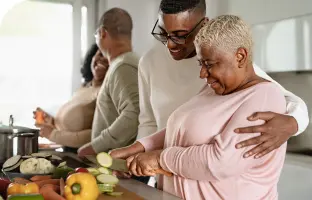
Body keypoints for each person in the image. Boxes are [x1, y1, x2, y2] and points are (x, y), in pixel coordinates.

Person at [110, 0, 308, 163]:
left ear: (204, 25)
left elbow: (293, 102)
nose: (170, 44)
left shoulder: (226, 67)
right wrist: (137, 159)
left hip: (206, 171)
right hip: (165, 173)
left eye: (180, 35)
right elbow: (149, 122)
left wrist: (292, 123)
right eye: (163, 33)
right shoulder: (149, 62)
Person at [116, 15, 287, 200]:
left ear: (240, 57)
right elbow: (181, 128)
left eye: (209, 64)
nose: (202, 73)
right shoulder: (213, 90)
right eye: (201, 63)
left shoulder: (265, 98)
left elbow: (220, 162)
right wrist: (141, 147)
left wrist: (159, 158)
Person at [77, 8, 140, 156]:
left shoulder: (122, 66)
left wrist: (94, 147)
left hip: (115, 166)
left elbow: (134, 114)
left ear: (102, 33)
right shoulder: (127, 63)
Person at [35, 44, 109, 151]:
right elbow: (70, 127)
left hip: (84, 158)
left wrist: (53, 135)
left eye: (109, 58)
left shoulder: (105, 92)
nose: (103, 60)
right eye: (100, 54)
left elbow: (97, 134)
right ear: (92, 57)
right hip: (68, 153)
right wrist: (51, 121)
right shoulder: (85, 87)